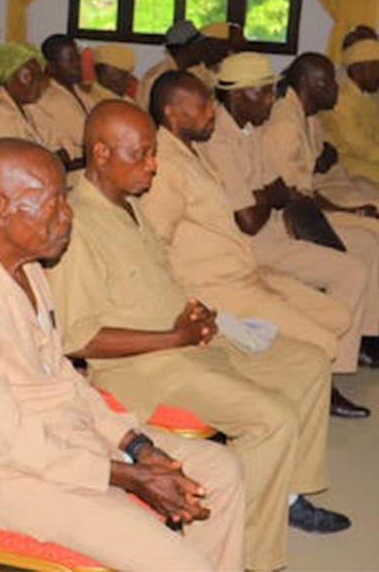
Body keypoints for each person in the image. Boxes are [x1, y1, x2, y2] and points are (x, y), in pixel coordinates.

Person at [0, 138, 245, 571]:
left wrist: (137, 446)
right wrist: (129, 475)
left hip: (69, 441)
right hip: (16, 482)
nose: (67, 215)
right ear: (1, 208)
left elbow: (68, 380)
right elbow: (11, 444)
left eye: (64, 200)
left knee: (222, 471)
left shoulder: (27, 266)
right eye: (51, 204)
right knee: (182, 564)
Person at [48, 100, 347, 571]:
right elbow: (78, 340)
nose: (153, 165)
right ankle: (244, 549)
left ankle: (283, 497)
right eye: (141, 155)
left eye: (153, 153)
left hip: (188, 341)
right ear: (101, 154)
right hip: (144, 369)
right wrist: (175, 337)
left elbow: (157, 278)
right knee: (272, 417)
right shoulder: (78, 227)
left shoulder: (129, 205)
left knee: (308, 363)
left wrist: (194, 314)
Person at [199, 53, 378, 414]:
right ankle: (326, 375)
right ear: (238, 95)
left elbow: (277, 189)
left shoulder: (250, 130)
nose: (272, 99)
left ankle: (335, 365)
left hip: (274, 228)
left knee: (352, 264)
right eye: (264, 93)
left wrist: (267, 197)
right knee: (349, 268)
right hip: (250, 245)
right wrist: (269, 197)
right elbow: (248, 219)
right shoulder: (220, 138)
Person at [139, 71, 354, 366]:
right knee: (324, 345)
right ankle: (275, 387)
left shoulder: (195, 150)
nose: (211, 111)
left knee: (338, 317)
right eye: (201, 106)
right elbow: (152, 245)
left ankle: (269, 364)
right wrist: (181, 307)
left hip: (246, 272)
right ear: (171, 112)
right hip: (215, 288)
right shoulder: (167, 167)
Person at [261, 51, 379, 367]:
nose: (335, 89)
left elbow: (314, 170)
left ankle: (366, 335)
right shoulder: (283, 124)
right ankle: (356, 342)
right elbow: (292, 198)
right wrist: (351, 212)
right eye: (326, 83)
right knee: (368, 236)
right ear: (304, 83)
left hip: (308, 205)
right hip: (291, 220)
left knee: (370, 233)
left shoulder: (306, 115)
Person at [24, 34, 93, 175]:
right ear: (51, 67)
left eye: (78, 59)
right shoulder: (43, 100)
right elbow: (58, 156)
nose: (78, 66)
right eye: (70, 61)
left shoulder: (81, 92)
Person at [317, 36, 379, 185]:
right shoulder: (340, 100)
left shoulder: (366, 96)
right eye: (375, 67)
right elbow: (358, 146)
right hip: (341, 160)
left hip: (363, 156)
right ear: (357, 70)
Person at [136, 20, 220, 111]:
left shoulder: (201, 70)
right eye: (200, 44)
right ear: (187, 48)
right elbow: (144, 114)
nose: (204, 48)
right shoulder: (154, 79)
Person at [0, 42, 46, 143]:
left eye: (39, 76)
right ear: (8, 78)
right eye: (27, 76)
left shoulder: (22, 106)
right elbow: (5, 157)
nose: (38, 82)